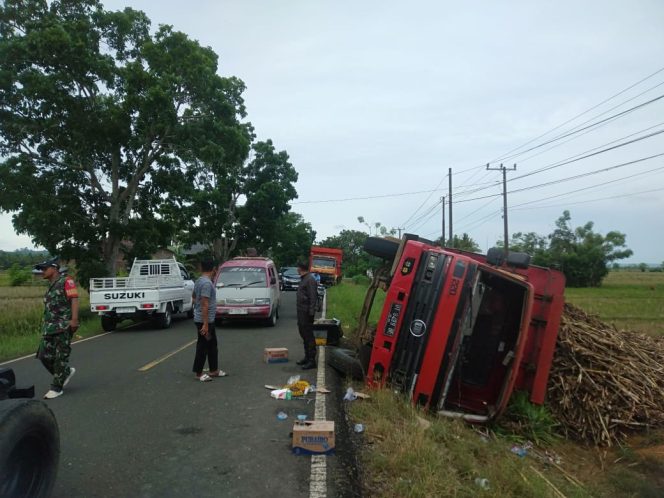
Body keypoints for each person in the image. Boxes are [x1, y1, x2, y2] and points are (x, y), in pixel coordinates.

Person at [34, 257, 79, 399]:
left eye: (44, 269)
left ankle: (57, 387)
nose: (42, 272)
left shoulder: (67, 281)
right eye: (41, 269)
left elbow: (74, 299)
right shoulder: (51, 285)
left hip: (64, 325)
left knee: (61, 356)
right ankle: (64, 373)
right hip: (49, 328)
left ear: (54, 268)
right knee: (43, 355)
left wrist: (74, 320)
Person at [192, 258, 226, 381]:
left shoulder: (199, 281)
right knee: (203, 346)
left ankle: (214, 370)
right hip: (204, 321)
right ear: (214, 270)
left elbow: (194, 297)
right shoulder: (206, 283)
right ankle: (198, 373)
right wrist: (205, 323)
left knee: (212, 345)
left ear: (201, 268)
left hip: (206, 319)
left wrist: (197, 309)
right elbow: (205, 303)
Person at [296, 261, 318, 370]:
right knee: (303, 335)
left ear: (300, 268)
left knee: (309, 337)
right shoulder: (304, 278)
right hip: (301, 312)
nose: (296, 269)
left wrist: (311, 313)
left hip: (306, 313)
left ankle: (311, 361)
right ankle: (307, 357)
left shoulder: (310, 279)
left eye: (297, 267)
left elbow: (313, 297)